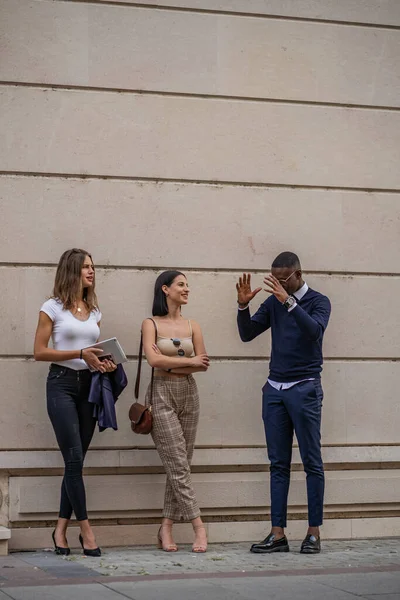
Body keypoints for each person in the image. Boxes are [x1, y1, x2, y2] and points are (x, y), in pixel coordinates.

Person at [236, 252, 331, 554]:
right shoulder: (274, 302)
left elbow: (314, 331)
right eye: (273, 278)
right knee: (278, 464)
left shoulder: (319, 301)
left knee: (311, 461)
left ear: (298, 274)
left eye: (282, 279)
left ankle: (313, 532)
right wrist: (242, 305)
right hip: (275, 389)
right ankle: (278, 533)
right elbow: (247, 334)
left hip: (304, 388)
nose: (276, 284)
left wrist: (288, 302)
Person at [33, 248, 117, 557]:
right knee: (72, 460)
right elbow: (39, 351)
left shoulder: (94, 310)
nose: (91, 272)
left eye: (93, 267)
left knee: (77, 462)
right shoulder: (52, 308)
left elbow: (91, 350)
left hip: (89, 388)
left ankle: (59, 530)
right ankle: (86, 531)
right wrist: (80, 354)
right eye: (85, 267)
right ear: (71, 271)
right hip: (61, 386)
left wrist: (101, 361)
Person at [141, 270, 210, 553]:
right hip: (161, 394)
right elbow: (152, 360)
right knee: (178, 465)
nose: (187, 289)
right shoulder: (151, 324)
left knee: (179, 463)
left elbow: (203, 364)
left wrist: (170, 362)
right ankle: (199, 527)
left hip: (189, 394)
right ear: (165, 289)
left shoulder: (193, 325)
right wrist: (186, 361)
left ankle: (166, 527)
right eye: (181, 285)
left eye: (187, 285)